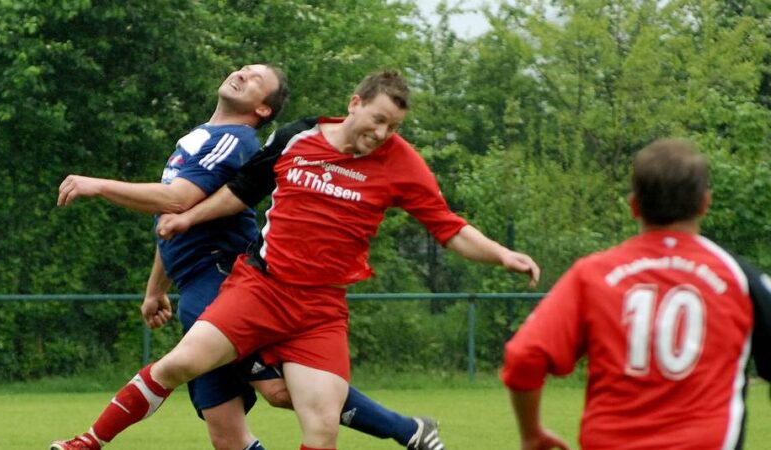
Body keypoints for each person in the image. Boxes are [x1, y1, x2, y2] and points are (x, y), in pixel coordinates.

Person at [56, 69, 540, 450]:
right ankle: (87, 442)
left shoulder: (401, 163)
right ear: (355, 103)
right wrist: (187, 220)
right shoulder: (298, 136)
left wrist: (502, 255)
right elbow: (243, 190)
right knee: (177, 366)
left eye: (393, 127)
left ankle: (410, 430)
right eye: (377, 119)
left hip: (319, 311)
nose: (382, 133)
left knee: (320, 426)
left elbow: (448, 228)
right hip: (259, 289)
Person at [501, 138, 771, 450]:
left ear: (633, 206)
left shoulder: (592, 275)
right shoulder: (739, 278)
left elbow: (524, 356)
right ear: (704, 203)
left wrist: (531, 433)